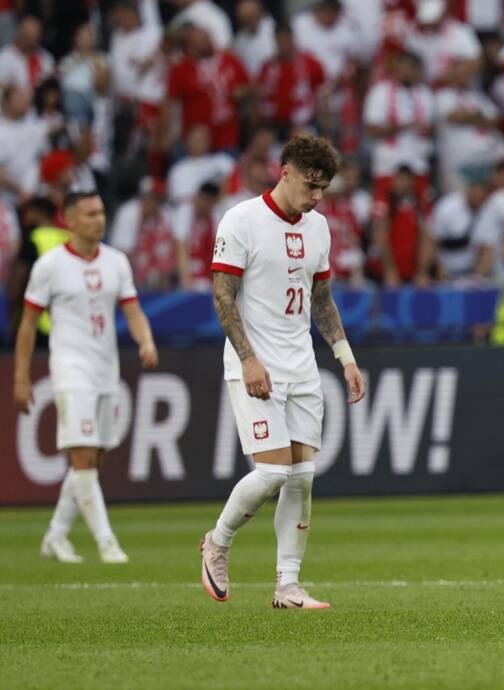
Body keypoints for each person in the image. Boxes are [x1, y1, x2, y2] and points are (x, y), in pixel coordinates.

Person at [199, 135, 366, 609]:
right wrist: (248, 358)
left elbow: (322, 299)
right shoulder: (242, 219)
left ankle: (288, 586)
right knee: (273, 473)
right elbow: (223, 295)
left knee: (303, 476)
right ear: (285, 171)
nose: (317, 197)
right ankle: (217, 541)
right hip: (256, 364)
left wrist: (345, 357)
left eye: (324, 188)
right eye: (310, 185)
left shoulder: (319, 228)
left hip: (302, 366)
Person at [13, 191, 158, 564]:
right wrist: (21, 377)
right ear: (70, 220)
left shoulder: (116, 261)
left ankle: (56, 535)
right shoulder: (50, 265)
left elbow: (133, 310)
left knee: (93, 458)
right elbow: (28, 324)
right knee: (82, 455)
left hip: (106, 368)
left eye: (101, 212)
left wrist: (145, 341)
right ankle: (107, 543)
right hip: (70, 367)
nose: (99, 220)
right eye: (90, 214)